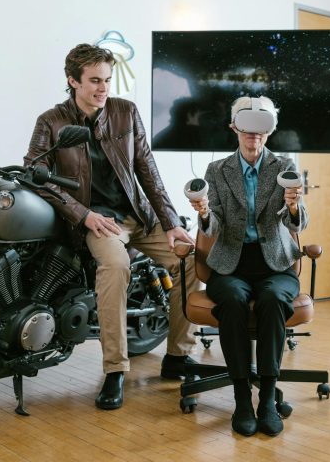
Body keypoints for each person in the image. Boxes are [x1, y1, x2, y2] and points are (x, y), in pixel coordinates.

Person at [24, 43, 200, 410]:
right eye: (93, 81)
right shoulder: (51, 121)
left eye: (107, 79)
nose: (102, 88)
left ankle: (178, 356)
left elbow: (147, 171)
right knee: (116, 265)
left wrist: (170, 222)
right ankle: (116, 370)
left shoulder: (125, 112)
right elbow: (36, 176)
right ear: (72, 81)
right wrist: (83, 215)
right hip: (99, 223)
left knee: (189, 259)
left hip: (138, 216)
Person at [187, 96, 307, 437]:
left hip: (276, 265)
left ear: (269, 130)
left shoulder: (285, 165)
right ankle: (242, 398)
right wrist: (205, 213)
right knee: (233, 303)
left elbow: (297, 225)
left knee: (272, 300)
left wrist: (294, 208)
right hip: (230, 265)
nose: (253, 135)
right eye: (246, 126)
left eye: (260, 128)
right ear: (234, 127)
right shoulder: (217, 170)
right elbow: (213, 228)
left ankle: (267, 399)